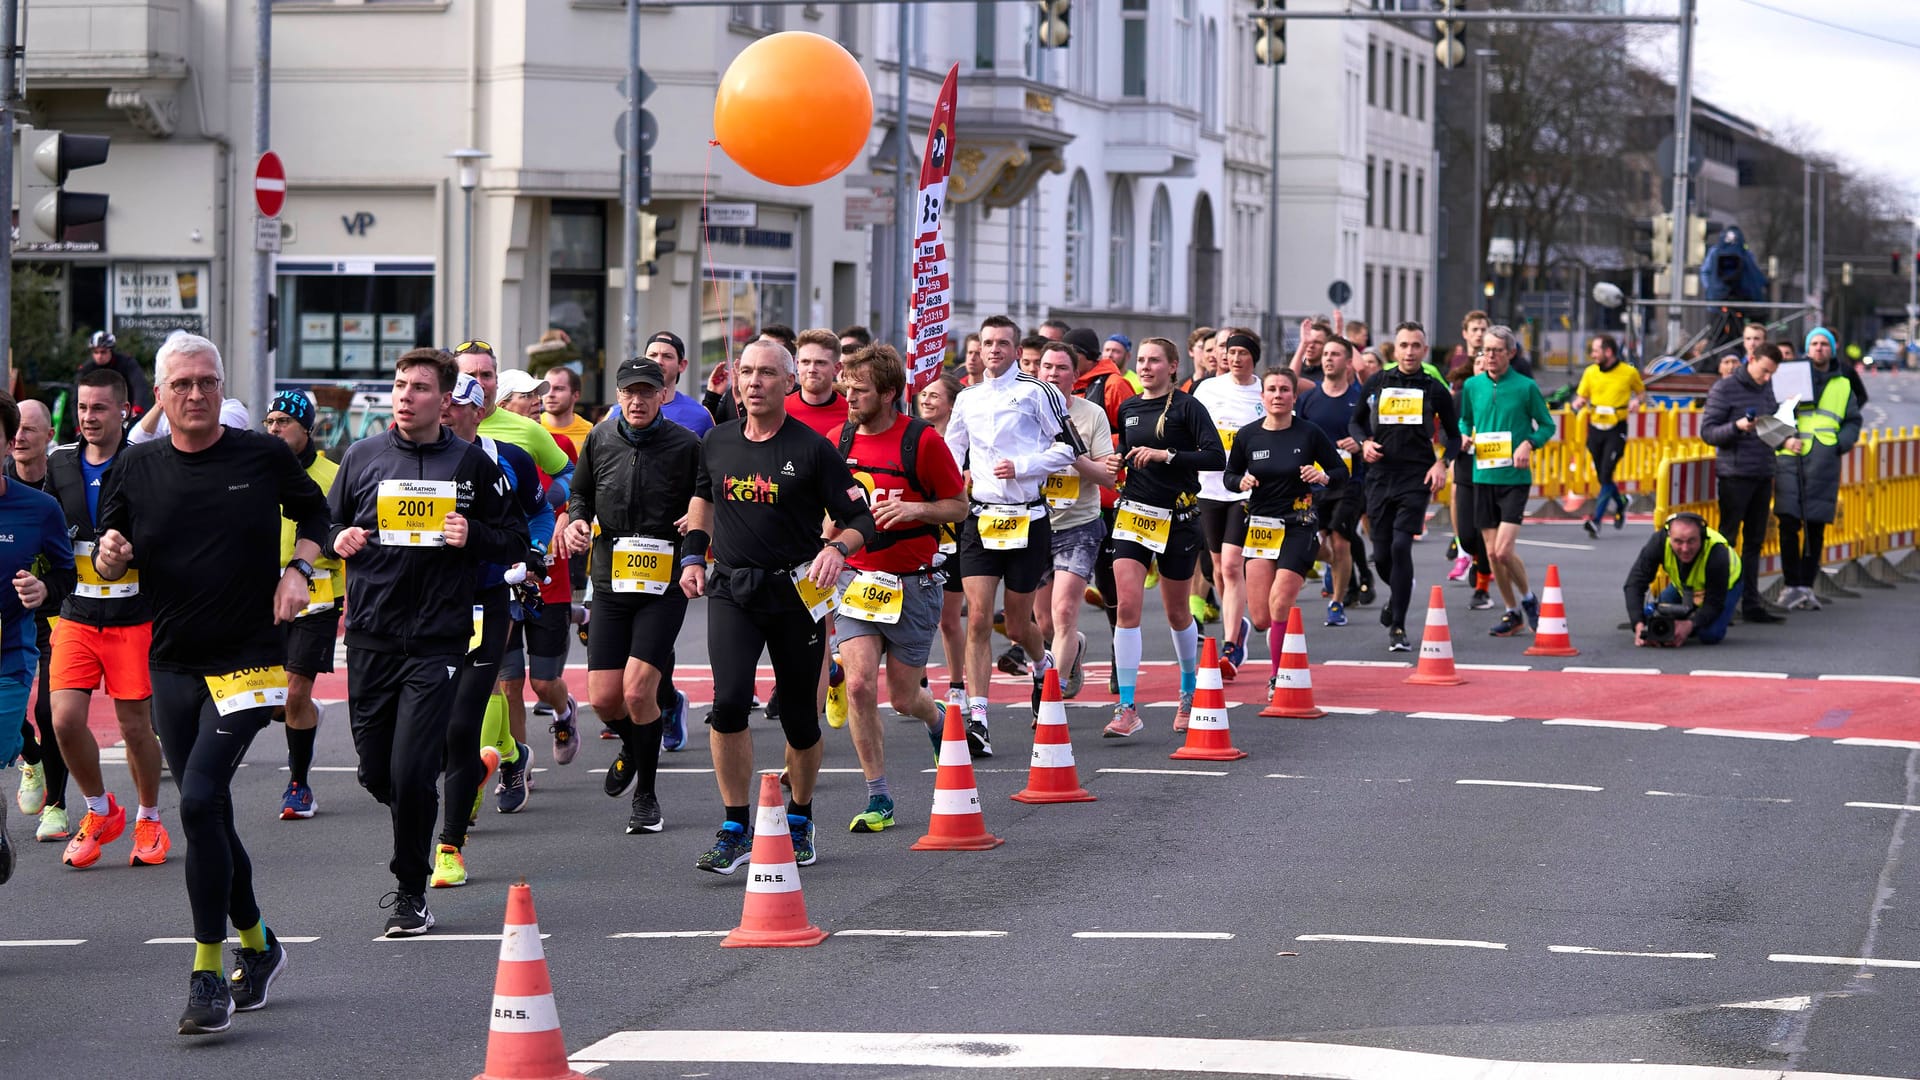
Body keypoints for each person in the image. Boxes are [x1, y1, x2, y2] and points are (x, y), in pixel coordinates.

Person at [93, 333, 328, 1033]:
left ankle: (206, 972)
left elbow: (314, 512)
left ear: (222, 389)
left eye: (208, 382)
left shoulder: (259, 454)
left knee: (196, 797)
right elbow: (108, 557)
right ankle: (259, 945)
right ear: (160, 397)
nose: (197, 395)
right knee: (211, 809)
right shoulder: (136, 466)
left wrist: (299, 569)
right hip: (171, 661)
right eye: (183, 385)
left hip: (250, 658)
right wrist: (110, 556)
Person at [327, 348, 529, 932]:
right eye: (399, 385)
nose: (405, 395)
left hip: (439, 641)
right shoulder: (362, 456)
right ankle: (418, 816)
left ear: (446, 401)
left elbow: (515, 541)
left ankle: (410, 890)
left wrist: (475, 535)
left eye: (418, 387)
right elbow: (329, 520)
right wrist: (340, 537)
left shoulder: (473, 465)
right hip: (370, 636)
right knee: (376, 773)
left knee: (415, 772)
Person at [680, 339, 874, 874]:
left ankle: (801, 817)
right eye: (747, 372)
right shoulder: (717, 442)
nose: (755, 382)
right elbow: (703, 496)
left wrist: (836, 549)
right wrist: (693, 556)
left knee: (798, 717)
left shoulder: (813, 448)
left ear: (789, 383)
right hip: (733, 591)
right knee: (728, 703)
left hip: (796, 593)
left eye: (767, 373)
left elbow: (863, 520)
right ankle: (735, 824)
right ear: (735, 380)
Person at [563, 357, 702, 834]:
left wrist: (697, 531)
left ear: (664, 394)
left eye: (648, 391)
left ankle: (646, 796)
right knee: (604, 698)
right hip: (610, 578)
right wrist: (579, 520)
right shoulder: (600, 439)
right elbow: (578, 494)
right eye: (629, 392)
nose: (638, 400)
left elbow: (706, 501)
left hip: (663, 583)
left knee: (639, 689)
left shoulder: (686, 445)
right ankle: (633, 743)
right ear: (618, 396)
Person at [830, 345, 966, 833]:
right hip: (859, 580)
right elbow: (827, 509)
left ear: (889, 394)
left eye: (860, 390)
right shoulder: (837, 440)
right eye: (847, 387)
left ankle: (937, 717)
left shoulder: (922, 441)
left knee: (904, 698)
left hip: (915, 582)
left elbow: (958, 507)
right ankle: (879, 797)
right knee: (862, 684)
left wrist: (916, 510)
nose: (849, 396)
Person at [47, 367, 171, 869]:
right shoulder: (60, 465)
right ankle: (100, 809)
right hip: (77, 613)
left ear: (124, 410)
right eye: (82, 408)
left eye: (99, 408)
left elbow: (169, 533)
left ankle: (149, 818)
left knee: (135, 728)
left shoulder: (146, 463)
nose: (88, 417)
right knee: (64, 720)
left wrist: (132, 553)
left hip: (133, 618)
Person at [945, 316, 1084, 756]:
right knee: (981, 618)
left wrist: (1023, 466)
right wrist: (951, 476)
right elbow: (951, 448)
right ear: (979, 348)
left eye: (1003, 343)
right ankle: (979, 718)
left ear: (1015, 347)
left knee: (1021, 623)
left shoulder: (1037, 391)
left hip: (1027, 518)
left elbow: (1068, 448)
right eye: (987, 343)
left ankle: (1044, 667)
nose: (994, 349)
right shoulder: (967, 397)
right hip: (982, 518)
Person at [439, 371, 547, 883]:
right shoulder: (414, 458)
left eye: (456, 404)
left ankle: (465, 799)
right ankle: (507, 750)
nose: (444, 411)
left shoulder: (510, 457)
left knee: (484, 692)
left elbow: (539, 512)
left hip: (491, 593)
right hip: (429, 602)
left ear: (478, 410)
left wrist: (531, 557)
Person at [1101, 338, 1224, 738]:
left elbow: (1215, 457)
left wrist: (1166, 455)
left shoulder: (1188, 407)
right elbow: (1125, 451)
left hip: (1179, 517)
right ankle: (1126, 707)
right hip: (1134, 514)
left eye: (1155, 360)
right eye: (1142, 360)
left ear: (1173, 367)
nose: (1147, 366)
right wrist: (1115, 460)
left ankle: (1188, 691)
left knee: (1176, 612)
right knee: (1127, 607)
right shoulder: (1130, 407)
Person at [1224, 369, 1348, 691]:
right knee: (1263, 617)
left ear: (1294, 396)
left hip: (1299, 523)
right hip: (1262, 526)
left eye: (1284, 390)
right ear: (1262, 396)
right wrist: (1241, 481)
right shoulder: (1248, 435)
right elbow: (1230, 475)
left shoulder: (1308, 433)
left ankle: (1278, 676)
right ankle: (1274, 640)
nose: (1278, 395)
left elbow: (1339, 470)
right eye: (1272, 390)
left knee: (1280, 601)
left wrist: (1322, 477)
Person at [0, 391, 75, 888]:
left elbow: (68, 577)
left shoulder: (39, 508)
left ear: (8, 444)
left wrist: (42, 587)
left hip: (7, 660)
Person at [1350, 321, 1459, 653]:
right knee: (1380, 553)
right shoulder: (1377, 382)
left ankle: (1397, 625)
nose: (1410, 351)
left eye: (1416, 346)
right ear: (1394, 350)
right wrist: (1363, 442)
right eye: (1404, 345)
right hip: (1380, 476)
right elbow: (1355, 421)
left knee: (1400, 547)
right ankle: (1398, 595)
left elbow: (1453, 436)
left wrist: (1442, 463)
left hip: (1416, 476)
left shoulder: (1433, 387)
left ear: (1424, 350)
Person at [262, 390, 344, 820]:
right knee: (274, 702)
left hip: (318, 597)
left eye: (284, 422)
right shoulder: (256, 472)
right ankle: (306, 715)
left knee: (295, 692)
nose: (274, 429)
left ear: (307, 429)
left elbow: (348, 530)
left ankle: (299, 784)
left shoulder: (334, 474)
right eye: (270, 422)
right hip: (261, 598)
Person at [1458, 325, 1555, 639]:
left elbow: (1547, 425)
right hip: (1483, 475)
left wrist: (1528, 443)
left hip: (1514, 478)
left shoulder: (1526, 387)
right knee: (1490, 552)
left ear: (1510, 354)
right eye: (1485, 350)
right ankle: (1512, 611)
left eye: (1496, 350)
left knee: (1502, 551)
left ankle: (1527, 599)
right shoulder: (1473, 386)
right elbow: (1465, 419)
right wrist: (1463, 434)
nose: (1489, 356)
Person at [1035, 343, 1116, 700]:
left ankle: (1053, 692)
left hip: (1079, 525)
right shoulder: (1022, 411)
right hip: (1034, 522)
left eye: (1061, 368)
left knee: (1065, 609)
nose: (1052, 374)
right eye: (1046, 367)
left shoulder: (1091, 414)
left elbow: (1108, 477)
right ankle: (1074, 651)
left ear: (1075, 375)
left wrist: (1073, 453)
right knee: (1042, 622)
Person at [1700, 343, 1790, 625]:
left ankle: (1751, 603)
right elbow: (1708, 432)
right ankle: (1722, 604)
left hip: (1763, 472)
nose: (1767, 378)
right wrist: (1737, 427)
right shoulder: (1724, 389)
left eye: (1771, 374)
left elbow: (1772, 424)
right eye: (1764, 371)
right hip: (1735, 475)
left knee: (1754, 542)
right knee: (1727, 541)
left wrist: (1786, 436)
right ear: (1751, 360)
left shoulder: (1766, 388)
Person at [1773, 327, 1861, 611]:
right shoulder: (1791, 376)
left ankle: (1806, 587)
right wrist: (1784, 439)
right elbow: (1773, 412)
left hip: (1824, 460)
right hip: (1790, 457)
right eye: (1815, 344)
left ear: (1832, 349)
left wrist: (1841, 444)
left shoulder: (1843, 384)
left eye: (1825, 344)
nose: (1819, 349)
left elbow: (1852, 420)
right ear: (1807, 349)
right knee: (1788, 522)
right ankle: (1791, 584)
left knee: (1815, 526)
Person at [1192, 331, 1264, 668]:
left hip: (1245, 489)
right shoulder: (1207, 389)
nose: (1234, 358)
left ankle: (1230, 643)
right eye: (1230, 352)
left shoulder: (1263, 392)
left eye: (1242, 353)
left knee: (1233, 565)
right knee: (1218, 568)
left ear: (1254, 357)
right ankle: (1239, 626)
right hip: (1208, 488)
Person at [1295, 336, 1371, 626]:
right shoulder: (1309, 398)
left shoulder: (1359, 397)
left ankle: (1337, 602)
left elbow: (1372, 433)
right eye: (1326, 354)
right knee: (1315, 544)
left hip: (1349, 481)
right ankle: (1335, 569)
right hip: (1313, 483)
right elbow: (1296, 434)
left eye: (1336, 354)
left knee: (1340, 540)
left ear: (1348, 362)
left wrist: (1360, 442)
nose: (1328, 359)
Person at [916, 374, 971, 708]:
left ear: (952, 403)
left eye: (935, 395)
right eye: (923, 394)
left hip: (955, 538)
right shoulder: (914, 438)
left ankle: (957, 686)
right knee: (918, 616)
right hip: (921, 536)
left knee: (949, 619)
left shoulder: (965, 442)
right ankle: (919, 683)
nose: (926, 400)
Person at [1624, 512, 1741, 647]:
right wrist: (1638, 625)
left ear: (1701, 537)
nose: (1685, 549)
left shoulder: (1716, 551)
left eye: (1691, 541)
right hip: (1685, 585)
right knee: (1656, 619)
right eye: (1678, 541)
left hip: (1727, 585)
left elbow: (1714, 602)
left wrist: (1689, 624)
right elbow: (1634, 584)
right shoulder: (1658, 542)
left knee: (1709, 634)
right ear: (1669, 537)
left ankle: (1700, 617)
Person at [1571, 334, 1646, 537]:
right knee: (1602, 476)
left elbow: (1641, 392)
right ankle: (1621, 502)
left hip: (1616, 429)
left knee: (1606, 474)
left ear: (1608, 352)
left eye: (1595, 350)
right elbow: (1583, 395)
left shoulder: (1628, 373)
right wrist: (1578, 402)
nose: (1593, 355)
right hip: (1595, 428)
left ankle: (1596, 521)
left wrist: (1636, 402)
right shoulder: (1590, 372)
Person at [645, 331, 716, 437]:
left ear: (682, 365)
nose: (658, 361)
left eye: (667, 356)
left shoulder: (700, 415)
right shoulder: (620, 412)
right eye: (653, 355)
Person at [790, 328, 850, 439]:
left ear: (837, 368)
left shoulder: (851, 414)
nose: (812, 369)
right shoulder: (778, 410)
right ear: (797, 366)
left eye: (820, 363)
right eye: (805, 362)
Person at [78, 330, 153, 416]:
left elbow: (139, 385)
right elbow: (77, 397)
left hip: (129, 409)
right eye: (96, 352)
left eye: (103, 352)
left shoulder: (126, 363)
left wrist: (138, 406)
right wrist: (78, 425)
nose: (99, 356)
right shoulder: (87, 369)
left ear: (111, 351)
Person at [541, 366, 595, 450]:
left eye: (558, 389)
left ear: (576, 395)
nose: (550, 394)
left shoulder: (590, 433)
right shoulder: (532, 427)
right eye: (546, 388)